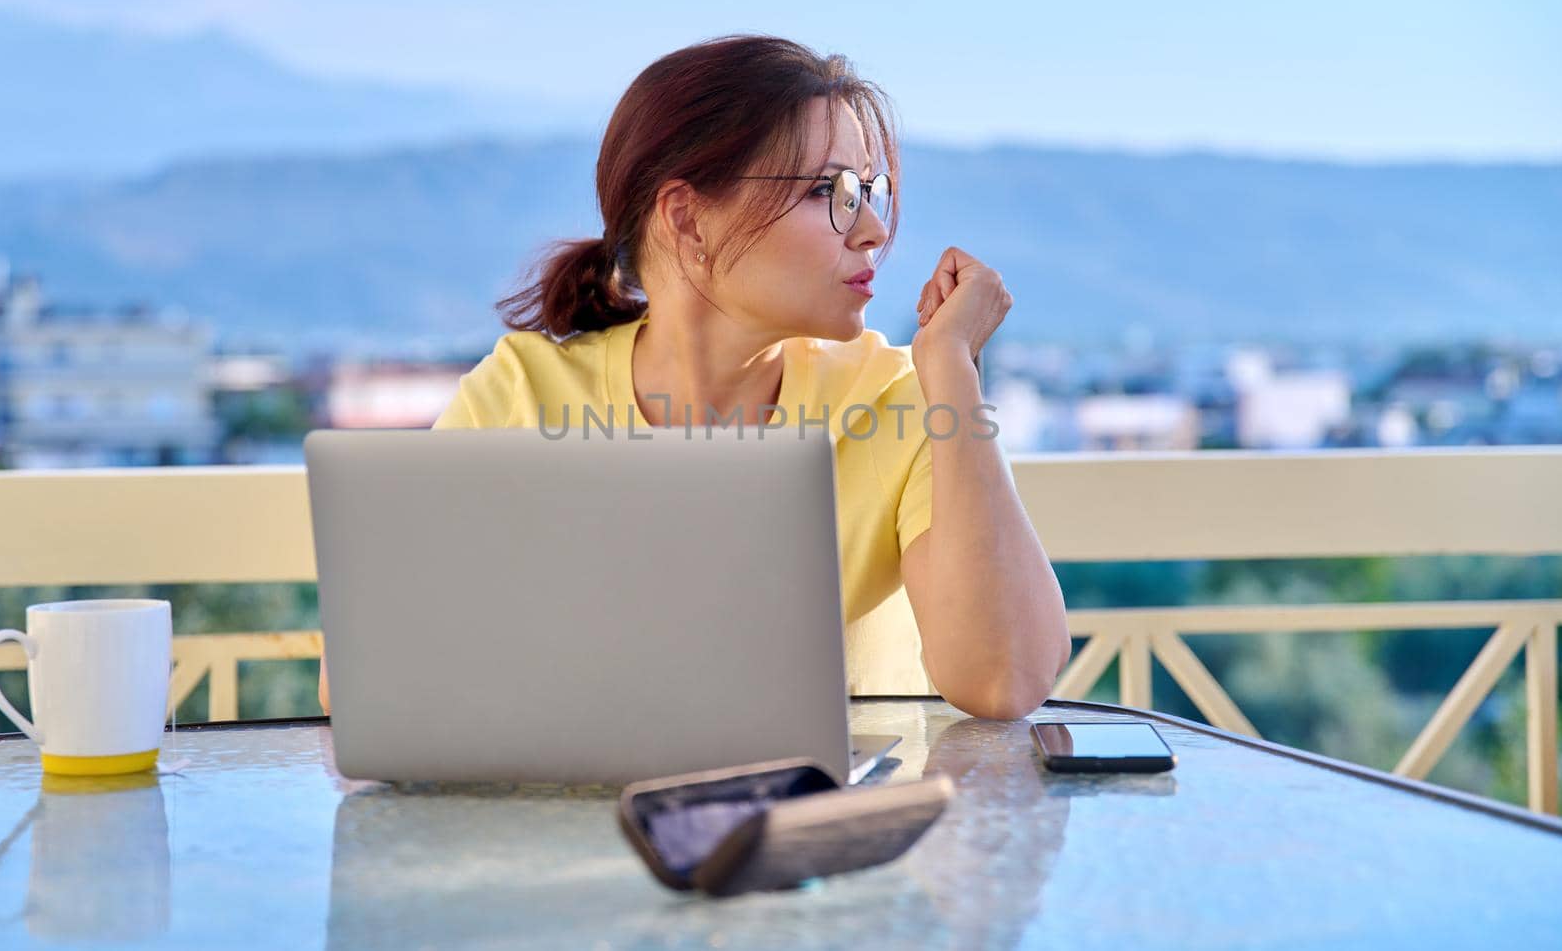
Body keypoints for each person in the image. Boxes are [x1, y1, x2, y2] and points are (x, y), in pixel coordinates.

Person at [319, 35, 1069, 719]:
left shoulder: (899, 398)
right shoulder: (522, 394)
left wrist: (952, 370)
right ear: (687, 218)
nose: (872, 228)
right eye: (829, 193)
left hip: (841, 850)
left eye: (870, 191)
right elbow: (369, 682)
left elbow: (1003, 679)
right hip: (572, 836)